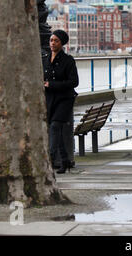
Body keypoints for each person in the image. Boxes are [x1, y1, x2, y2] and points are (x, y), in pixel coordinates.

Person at [43, 30, 79, 174]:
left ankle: (50, 159)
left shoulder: (68, 60)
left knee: (55, 127)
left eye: (56, 41)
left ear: (62, 43)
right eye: (51, 40)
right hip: (50, 99)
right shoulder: (45, 59)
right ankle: (64, 161)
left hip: (64, 99)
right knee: (56, 129)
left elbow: (74, 82)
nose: (52, 43)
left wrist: (52, 85)